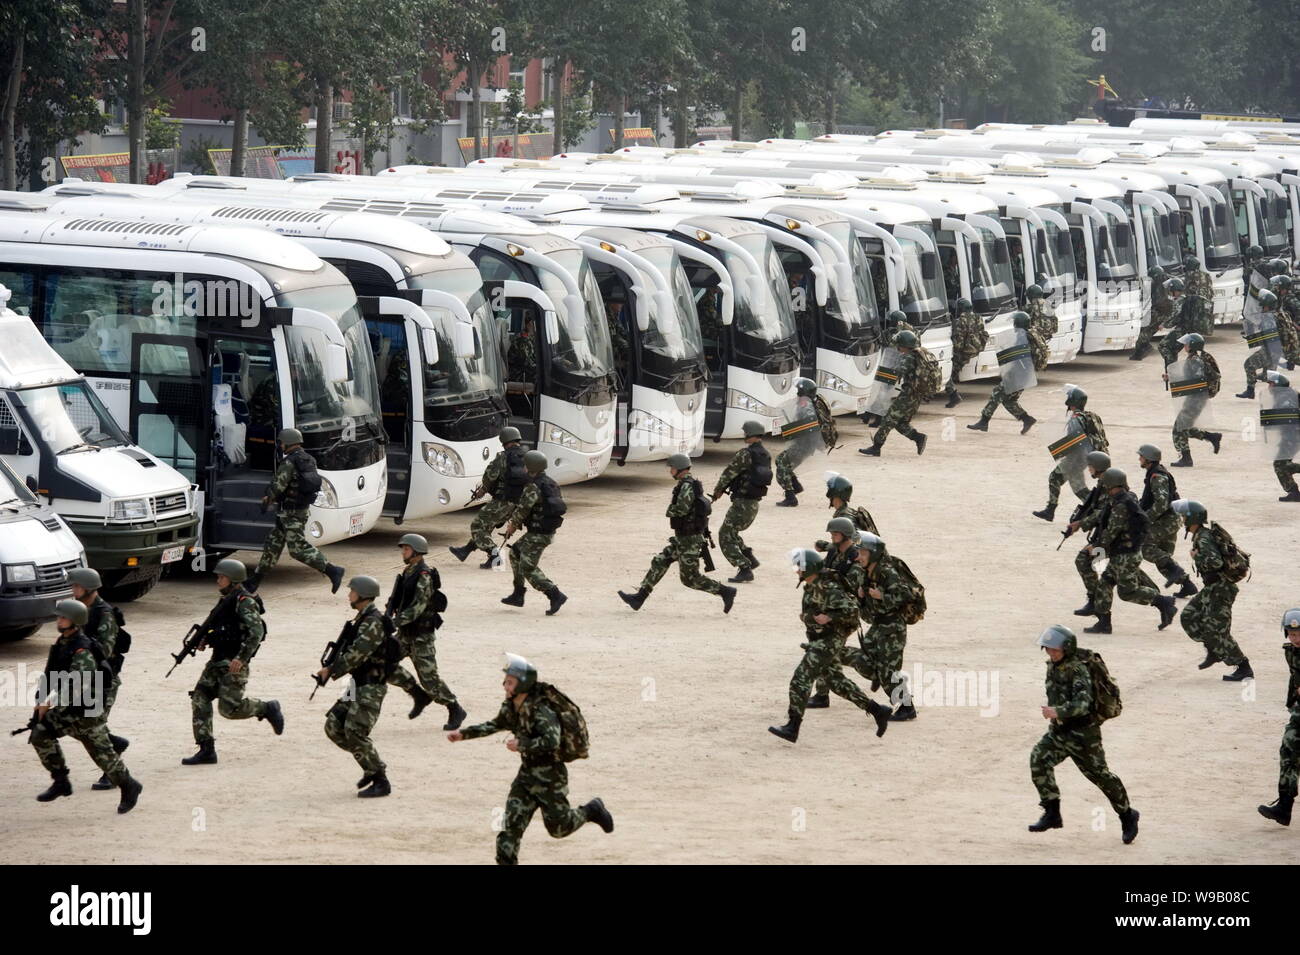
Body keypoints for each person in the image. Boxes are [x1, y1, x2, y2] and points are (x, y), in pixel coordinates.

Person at [447, 654, 614, 865]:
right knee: (510, 830)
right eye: (505, 681)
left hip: (550, 777)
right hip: (526, 777)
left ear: (523, 683)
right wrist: (464, 734)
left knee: (559, 829)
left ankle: (592, 810)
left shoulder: (541, 709)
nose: (504, 686)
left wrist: (522, 744)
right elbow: (496, 724)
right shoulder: (511, 706)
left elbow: (551, 741)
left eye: (509, 682)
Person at [26, 599, 143, 814]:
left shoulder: (82, 649)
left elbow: (77, 684)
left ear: (75, 621)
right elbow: (52, 674)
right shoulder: (63, 643)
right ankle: (61, 781)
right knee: (40, 733)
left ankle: (129, 785)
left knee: (102, 756)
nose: (58, 620)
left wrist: (49, 702)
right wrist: (40, 699)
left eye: (63, 617)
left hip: (87, 711)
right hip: (69, 709)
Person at [1027, 624, 1139, 844]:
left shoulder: (1078, 669)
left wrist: (1057, 711)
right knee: (1038, 759)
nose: (1051, 653)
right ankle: (1052, 812)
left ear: (1067, 649)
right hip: (1059, 732)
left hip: (1083, 735)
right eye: (1048, 649)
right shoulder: (1053, 666)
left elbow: (1083, 704)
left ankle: (1127, 814)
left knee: (1101, 777)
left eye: (1055, 649)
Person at [767, 549, 892, 743]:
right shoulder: (812, 585)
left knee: (800, 679)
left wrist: (829, 618)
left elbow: (852, 610)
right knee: (836, 682)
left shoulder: (827, 587)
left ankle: (793, 727)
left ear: (808, 569)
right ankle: (877, 710)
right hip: (820, 640)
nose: (796, 570)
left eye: (798, 567)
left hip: (829, 641)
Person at [181, 559, 284, 765]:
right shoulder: (227, 599)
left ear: (233, 579)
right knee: (200, 699)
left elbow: (256, 632)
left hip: (233, 664)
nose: (218, 580)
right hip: (216, 660)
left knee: (230, 709)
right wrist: (205, 639)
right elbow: (221, 627)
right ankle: (206, 749)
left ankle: (266, 708)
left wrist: (241, 658)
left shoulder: (244, 601)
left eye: (221, 577)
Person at [619, 454, 736, 613]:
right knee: (660, 561)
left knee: (690, 579)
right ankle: (639, 597)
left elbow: (682, 509)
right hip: (683, 538)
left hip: (688, 539)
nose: (670, 471)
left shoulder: (687, 486)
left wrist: (669, 511)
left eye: (672, 468)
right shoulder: (689, 484)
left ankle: (725, 592)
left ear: (680, 468)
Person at [319, 576, 395, 798]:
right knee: (333, 726)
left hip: (370, 686)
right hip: (356, 684)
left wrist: (330, 671)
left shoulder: (372, 622)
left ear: (362, 594)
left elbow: (355, 655)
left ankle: (380, 779)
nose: (349, 595)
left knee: (355, 732)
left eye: (352, 591)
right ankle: (372, 765)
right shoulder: (362, 618)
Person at [246, 428, 345, 594]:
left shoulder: (289, 462)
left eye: (282, 442)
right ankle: (254, 581)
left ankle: (332, 570)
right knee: (273, 546)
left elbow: (278, 486)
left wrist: (267, 499)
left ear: (288, 443)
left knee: (297, 549)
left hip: (290, 514)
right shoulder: (308, 459)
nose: (281, 445)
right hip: (298, 510)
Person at [1081, 468, 1178, 635]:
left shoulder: (1121, 505)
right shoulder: (1123, 499)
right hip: (1123, 553)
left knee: (1127, 592)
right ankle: (1104, 623)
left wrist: (1096, 547)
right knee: (1105, 583)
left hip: (1126, 555)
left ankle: (1164, 602)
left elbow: (1111, 531)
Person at [385, 534, 466, 730]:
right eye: (403, 549)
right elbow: (398, 600)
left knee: (430, 681)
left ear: (416, 552)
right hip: (405, 634)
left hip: (421, 637)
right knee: (382, 665)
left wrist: (394, 622)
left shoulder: (424, 575)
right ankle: (418, 695)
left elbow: (418, 607)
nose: (403, 552)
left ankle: (454, 707)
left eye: (406, 549)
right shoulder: (407, 571)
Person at [1170, 500, 1253, 681]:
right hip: (1213, 588)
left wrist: (1197, 556)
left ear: (1192, 519)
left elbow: (1216, 563)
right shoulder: (1201, 535)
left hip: (1221, 589)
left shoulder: (1203, 538)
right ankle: (1214, 649)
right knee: (1189, 616)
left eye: (1184, 516)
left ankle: (1243, 666)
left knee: (1217, 631)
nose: (1182, 519)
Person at [67, 568, 131, 792]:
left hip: (104, 680)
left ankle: (113, 774)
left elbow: (103, 649)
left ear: (87, 588)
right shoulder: (81, 610)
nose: (72, 590)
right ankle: (115, 743)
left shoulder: (105, 615)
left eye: (76, 586)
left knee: (93, 728)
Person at [848, 530, 920, 721]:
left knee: (888, 673)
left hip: (893, 629)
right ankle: (880, 677)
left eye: (863, 552)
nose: (859, 556)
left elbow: (906, 594)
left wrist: (882, 596)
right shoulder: (866, 573)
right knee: (862, 661)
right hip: (879, 626)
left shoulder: (887, 572)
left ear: (873, 554)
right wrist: (861, 597)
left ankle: (907, 708)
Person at [805, 517, 864, 709]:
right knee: (827, 654)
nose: (832, 537)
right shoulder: (834, 551)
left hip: (842, 614)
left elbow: (851, 588)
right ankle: (822, 694)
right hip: (827, 607)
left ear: (845, 535)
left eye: (835, 534)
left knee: (827, 653)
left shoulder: (854, 559)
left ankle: (872, 668)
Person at [450, 427, 530, 569]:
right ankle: (465, 550)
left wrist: (482, 490)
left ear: (504, 441)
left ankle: (495, 556)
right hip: (517, 503)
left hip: (502, 500)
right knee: (487, 525)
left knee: (477, 526)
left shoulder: (503, 457)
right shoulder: (527, 457)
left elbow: (490, 476)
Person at [500, 450, 568, 615]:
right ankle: (518, 593)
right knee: (515, 553)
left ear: (530, 467)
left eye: (525, 465)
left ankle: (554, 594)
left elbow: (523, 509)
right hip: (542, 531)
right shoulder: (549, 482)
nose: (523, 468)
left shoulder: (533, 486)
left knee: (528, 567)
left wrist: (511, 526)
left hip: (539, 534)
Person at [710, 420, 772, 583]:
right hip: (753, 503)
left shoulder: (746, 454)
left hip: (742, 503)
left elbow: (728, 473)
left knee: (725, 534)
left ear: (750, 434)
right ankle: (750, 558)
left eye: (746, 433)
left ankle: (745, 568)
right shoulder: (765, 455)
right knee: (732, 532)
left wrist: (718, 491)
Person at [1033, 384, 1107, 521]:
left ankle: (1051, 509)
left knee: (1054, 478)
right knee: (1078, 487)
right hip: (1087, 457)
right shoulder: (1091, 416)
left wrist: (1067, 459)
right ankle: (1098, 509)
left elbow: (1075, 443)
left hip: (1077, 457)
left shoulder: (1075, 420)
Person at [1256, 607, 1300, 826]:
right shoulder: (1290, 651)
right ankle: (1284, 806)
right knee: (1288, 750)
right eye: (1292, 634)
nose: (1296, 638)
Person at [1135, 445, 1197, 598]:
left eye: (1141, 457)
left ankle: (1178, 573)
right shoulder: (1154, 473)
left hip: (1167, 521)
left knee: (1146, 548)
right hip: (1170, 519)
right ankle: (1187, 585)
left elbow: (1161, 504)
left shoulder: (1157, 476)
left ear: (1148, 459)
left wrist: (1145, 519)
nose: (1139, 459)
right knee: (1163, 560)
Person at [860, 329, 931, 457]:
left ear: (904, 345)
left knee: (888, 420)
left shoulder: (909, 357)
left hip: (908, 395)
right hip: (916, 395)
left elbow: (896, 373)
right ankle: (919, 438)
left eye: (899, 346)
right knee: (900, 423)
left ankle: (876, 447)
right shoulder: (922, 353)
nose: (898, 349)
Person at [967, 311, 1038, 434]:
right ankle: (1027, 419)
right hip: (1025, 374)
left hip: (1018, 373)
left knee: (997, 394)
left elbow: (1019, 356)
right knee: (1008, 400)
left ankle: (984, 421)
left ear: (1018, 324)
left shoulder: (1022, 336)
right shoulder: (1032, 334)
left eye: (1015, 323)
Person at [1062, 450, 1112, 618]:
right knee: (1124, 574)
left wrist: (1080, 523)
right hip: (1106, 533)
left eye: (1090, 466)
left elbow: (1102, 512)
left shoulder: (1108, 485)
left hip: (1112, 535)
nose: (1088, 469)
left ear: (1097, 467)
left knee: (1126, 579)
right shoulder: (1102, 482)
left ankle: (1161, 601)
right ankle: (1094, 602)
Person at [1163, 332, 1223, 467]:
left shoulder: (1195, 360)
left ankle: (1186, 458)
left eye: (1187, 344)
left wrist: (1175, 380)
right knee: (1184, 427)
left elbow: (1196, 380)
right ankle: (1212, 437)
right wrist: (1171, 377)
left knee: (1179, 429)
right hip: (1195, 398)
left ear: (1192, 345)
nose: (1184, 346)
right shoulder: (1196, 358)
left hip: (1196, 399)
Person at [775, 377, 835, 506]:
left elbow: (809, 426)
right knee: (782, 461)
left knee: (782, 466)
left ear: (803, 392)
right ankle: (795, 487)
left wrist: (801, 441)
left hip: (805, 444)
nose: (796, 392)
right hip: (806, 444)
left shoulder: (805, 405)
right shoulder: (814, 401)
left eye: (798, 390)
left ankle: (791, 497)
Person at [1260, 370, 1300, 502]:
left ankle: (1294, 492)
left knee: (1280, 464)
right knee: (1283, 463)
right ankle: (1294, 492)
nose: (1269, 387)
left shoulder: (1285, 398)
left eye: (1271, 384)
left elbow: (1289, 419)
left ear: (1277, 385)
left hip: (1292, 436)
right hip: (1290, 436)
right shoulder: (1287, 394)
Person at [814, 472, 879, 551]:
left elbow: (858, 541)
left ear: (834, 492)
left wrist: (828, 547)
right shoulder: (845, 511)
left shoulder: (845, 516)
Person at [942, 298, 987, 408]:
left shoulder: (960, 321)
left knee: (946, 373)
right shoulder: (978, 318)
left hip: (963, 351)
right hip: (975, 349)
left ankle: (954, 396)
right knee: (951, 373)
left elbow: (959, 340)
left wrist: (953, 354)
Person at [1238, 289, 1283, 399]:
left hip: (1270, 351)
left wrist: (1253, 339)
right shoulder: (1274, 315)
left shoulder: (1268, 318)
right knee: (1269, 376)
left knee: (1248, 364)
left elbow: (1270, 338)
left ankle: (1250, 391)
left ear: (1266, 305)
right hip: (1275, 351)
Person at [1131, 266, 1170, 360]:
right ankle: (1144, 348)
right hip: (1166, 313)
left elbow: (1150, 299)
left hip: (1160, 311)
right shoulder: (1168, 282)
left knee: (1143, 331)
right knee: (1149, 330)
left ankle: (1139, 353)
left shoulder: (1157, 285)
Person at [1274, 274, 1300, 370]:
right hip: (1291, 326)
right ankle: (1290, 365)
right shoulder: (1283, 297)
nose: (1276, 288)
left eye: (1278, 286)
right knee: (1291, 349)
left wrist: (1295, 324)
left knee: (1293, 349)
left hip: (1296, 327)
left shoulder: (1290, 299)